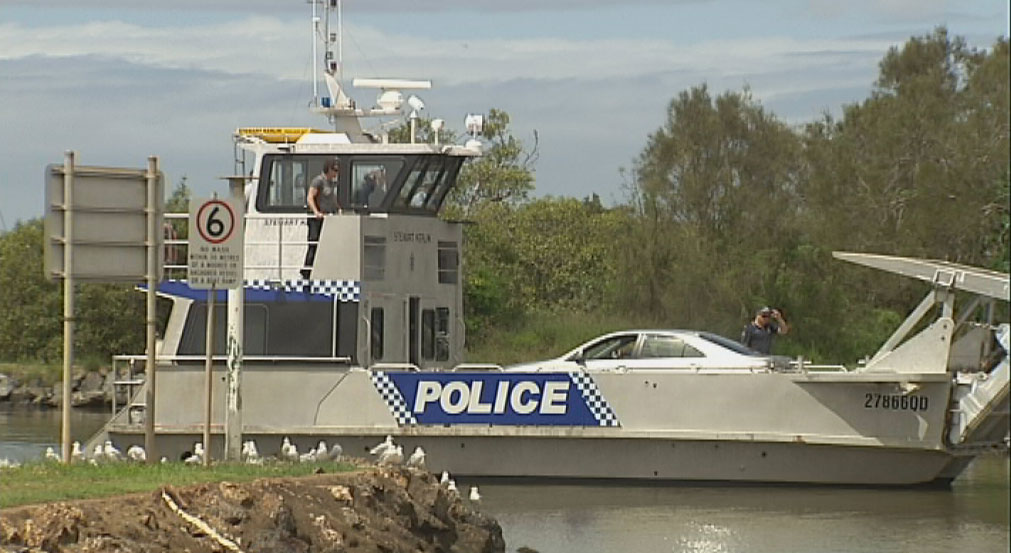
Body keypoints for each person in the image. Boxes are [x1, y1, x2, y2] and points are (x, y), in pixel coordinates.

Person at [302, 159, 341, 279]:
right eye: (335, 170)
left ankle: (321, 271)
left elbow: (331, 198)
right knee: (314, 243)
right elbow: (310, 197)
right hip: (316, 219)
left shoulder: (331, 183)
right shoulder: (318, 181)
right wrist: (316, 212)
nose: (336, 173)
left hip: (326, 218)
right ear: (328, 169)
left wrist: (339, 209)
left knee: (325, 245)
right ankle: (306, 272)